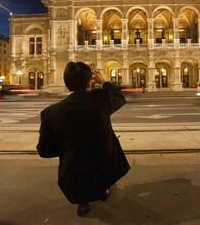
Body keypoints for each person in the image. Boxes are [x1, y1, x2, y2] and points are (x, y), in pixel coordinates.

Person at [36, 62, 130, 217]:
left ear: (66, 85)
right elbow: (119, 98)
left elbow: (44, 150)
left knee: (78, 166)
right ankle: (101, 189)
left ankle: (83, 202)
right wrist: (104, 81)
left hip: (72, 172)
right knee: (101, 156)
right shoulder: (101, 100)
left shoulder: (50, 113)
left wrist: (66, 150)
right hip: (107, 165)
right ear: (90, 82)